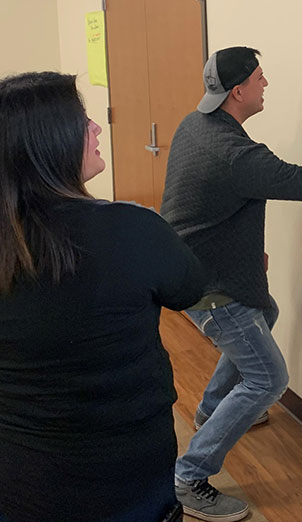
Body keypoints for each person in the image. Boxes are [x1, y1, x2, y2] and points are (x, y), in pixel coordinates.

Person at [0, 72, 205, 522]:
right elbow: (190, 288)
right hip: (124, 477)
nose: (96, 129)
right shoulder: (131, 229)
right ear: (48, 143)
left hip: (19, 475)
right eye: (82, 121)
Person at [160, 46, 302, 521]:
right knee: (270, 378)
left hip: (195, 268)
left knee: (264, 312)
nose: (267, 85)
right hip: (211, 289)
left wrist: (243, 252)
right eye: (261, 79)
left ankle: (210, 410)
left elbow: (200, 205)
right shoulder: (238, 155)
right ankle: (189, 477)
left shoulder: (194, 125)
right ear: (240, 90)